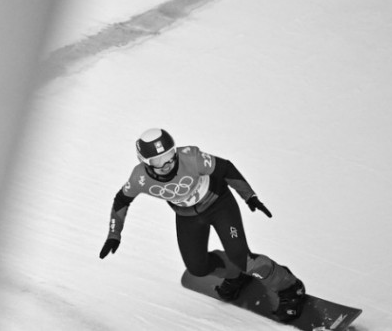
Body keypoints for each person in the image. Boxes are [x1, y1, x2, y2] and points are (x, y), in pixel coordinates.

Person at [98, 128, 307, 322]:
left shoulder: (191, 157)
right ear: (145, 162)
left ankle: (290, 287)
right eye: (159, 160)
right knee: (197, 268)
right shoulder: (139, 178)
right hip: (187, 216)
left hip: (219, 204)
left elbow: (226, 168)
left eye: (170, 155)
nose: (168, 163)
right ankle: (236, 276)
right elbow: (121, 200)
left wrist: (249, 196)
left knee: (242, 258)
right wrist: (114, 234)